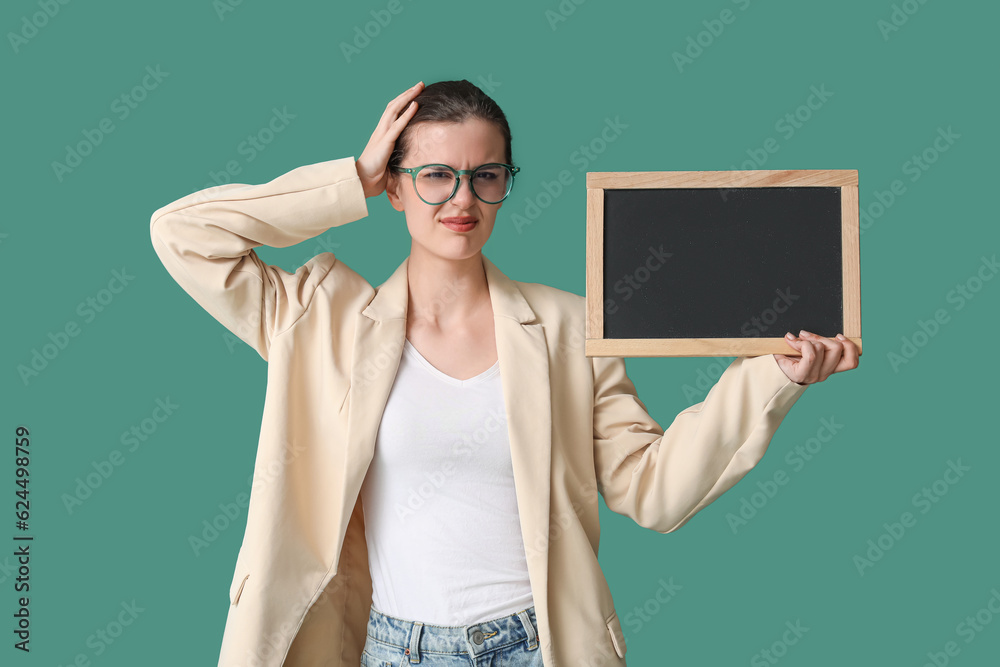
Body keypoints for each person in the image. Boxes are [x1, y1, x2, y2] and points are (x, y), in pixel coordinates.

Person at [149, 79, 859, 667]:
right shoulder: (320, 320)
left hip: (538, 646)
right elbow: (183, 235)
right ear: (395, 189)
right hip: (390, 648)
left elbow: (653, 490)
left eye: (485, 176)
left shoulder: (568, 328)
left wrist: (771, 377)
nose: (461, 199)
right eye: (433, 175)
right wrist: (350, 179)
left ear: (504, 186)